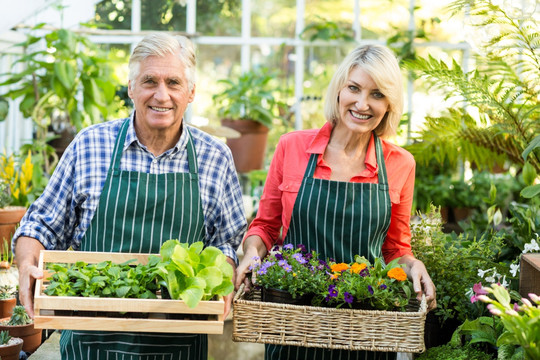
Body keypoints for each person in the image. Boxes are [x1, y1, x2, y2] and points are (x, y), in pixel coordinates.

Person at [13, 32, 247, 360]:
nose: (161, 95)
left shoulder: (214, 157)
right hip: (90, 345)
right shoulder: (90, 145)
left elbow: (227, 242)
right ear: (131, 88)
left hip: (178, 344)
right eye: (149, 80)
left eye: (174, 82)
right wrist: (27, 265)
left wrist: (222, 272)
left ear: (191, 92)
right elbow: (39, 227)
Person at [235, 44, 437, 360]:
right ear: (339, 91)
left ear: (389, 104)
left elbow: (396, 249)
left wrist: (414, 266)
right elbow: (266, 226)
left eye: (377, 94)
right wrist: (251, 253)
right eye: (354, 88)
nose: (362, 103)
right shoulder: (292, 147)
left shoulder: (400, 163)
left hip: (364, 327)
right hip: (291, 322)